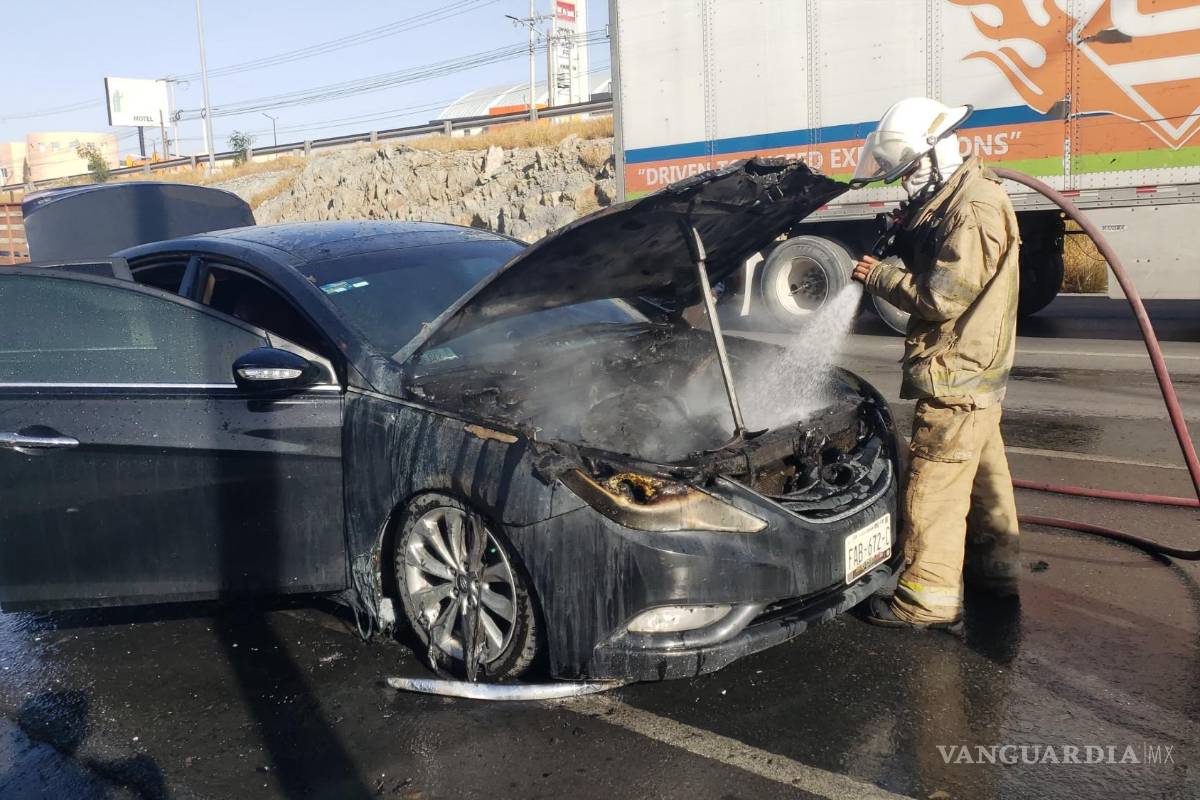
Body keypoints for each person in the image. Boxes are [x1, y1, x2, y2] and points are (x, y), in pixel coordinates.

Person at [848, 97, 1021, 632]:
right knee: (985, 481)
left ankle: (926, 600)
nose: (906, 184)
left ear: (939, 154)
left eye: (911, 171)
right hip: (976, 372)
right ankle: (995, 572)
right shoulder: (959, 200)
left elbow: (942, 299)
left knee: (934, 492)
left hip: (956, 374)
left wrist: (879, 277)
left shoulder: (970, 211)